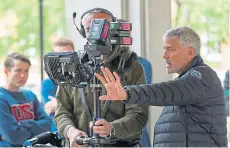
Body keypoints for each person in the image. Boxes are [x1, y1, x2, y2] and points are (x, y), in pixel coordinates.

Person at [95, 26, 228, 147]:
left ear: (190, 52)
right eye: (164, 49)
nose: (164, 56)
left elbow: (166, 91)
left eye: (170, 49)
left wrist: (127, 93)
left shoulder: (201, 76)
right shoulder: (186, 81)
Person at [54, 8, 148, 147]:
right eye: (88, 29)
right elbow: (62, 112)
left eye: (102, 28)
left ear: (114, 30)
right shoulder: (71, 66)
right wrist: (71, 132)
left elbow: (138, 115)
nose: (95, 34)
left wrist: (112, 128)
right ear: (82, 32)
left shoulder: (132, 67)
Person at [0, 53, 52, 147]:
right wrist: (36, 128)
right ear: (6, 72)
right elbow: (15, 137)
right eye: (18, 71)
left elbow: (47, 124)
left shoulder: (30, 95)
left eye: (26, 71)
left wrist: (23, 125)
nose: (23, 75)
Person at [41, 38, 74, 132]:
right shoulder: (47, 84)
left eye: (67, 54)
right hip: (59, 132)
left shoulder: (83, 80)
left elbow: (58, 106)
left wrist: (59, 104)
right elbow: (52, 109)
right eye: (59, 55)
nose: (63, 59)